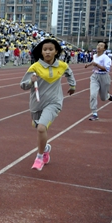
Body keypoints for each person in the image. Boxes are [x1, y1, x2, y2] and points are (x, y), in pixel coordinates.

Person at [20, 38, 76, 171]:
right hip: (37, 103)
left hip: (54, 102)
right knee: (38, 127)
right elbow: (23, 86)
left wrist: (72, 85)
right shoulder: (35, 67)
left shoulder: (62, 65)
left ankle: (40, 158)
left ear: (56, 51)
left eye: (51, 49)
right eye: (45, 50)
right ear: (41, 52)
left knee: (41, 128)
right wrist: (31, 81)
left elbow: (69, 73)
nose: (48, 52)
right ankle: (45, 148)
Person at [85, 41, 112, 121]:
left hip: (104, 77)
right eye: (98, 45)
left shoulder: (106, 58)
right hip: (95, 76)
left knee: (103, 98)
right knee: (93, 95)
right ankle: (94, 113)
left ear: (104, 49)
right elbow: (93, 62)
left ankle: (107, 96)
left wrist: (97, 65)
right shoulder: (94, 55)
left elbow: (107, 69)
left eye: (101, 46)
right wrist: (88, 65)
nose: (98, 47)